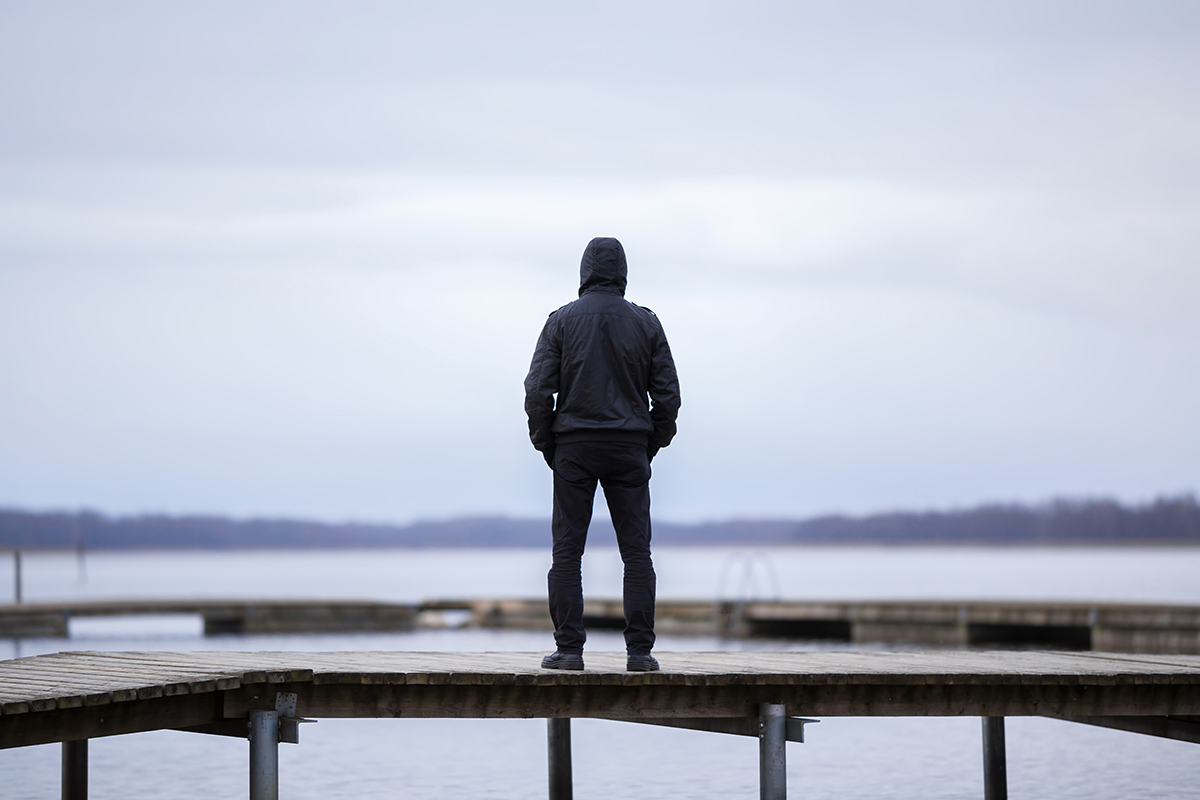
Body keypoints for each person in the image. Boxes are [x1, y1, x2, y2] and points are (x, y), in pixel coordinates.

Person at [524, 237, 681, 672]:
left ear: (584, 272)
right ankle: (640, 654)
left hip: (574, 446)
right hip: (629, 446)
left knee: (567, 552)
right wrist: (650, 443)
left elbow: (537, 390)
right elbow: (668, 396)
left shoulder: (561, 322)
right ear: (622, 273)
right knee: (636, 553)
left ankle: (570, 651)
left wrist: (548, 445)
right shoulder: (646, 323)